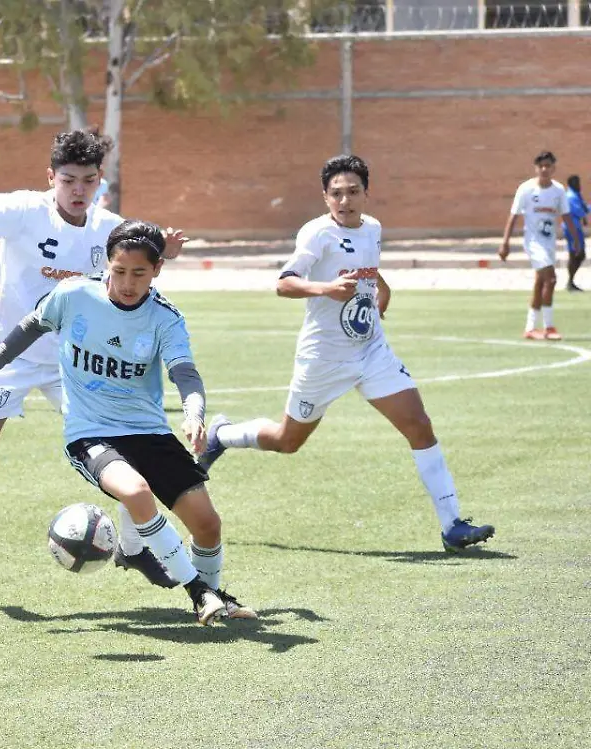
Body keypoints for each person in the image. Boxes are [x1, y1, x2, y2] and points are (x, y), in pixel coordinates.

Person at [0, 220, 253, 624]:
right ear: (107, 265)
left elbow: (184, 372)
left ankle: (215, 597)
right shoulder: (74, 294)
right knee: (136, 491)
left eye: (139, 273)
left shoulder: (165, 317)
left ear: (157, 270)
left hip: (149, 433)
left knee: (208, 524)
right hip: (90, 434)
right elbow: (26, 330)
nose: (128, 283)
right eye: (119, 271)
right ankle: (199, 592)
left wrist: (193, 412)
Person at [198, 154, 495, 554]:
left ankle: (452, 525)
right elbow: (283, 283)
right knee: (288, 440)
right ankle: (223, 434)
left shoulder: (372, 228)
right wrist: (326, 289)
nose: (345, 200)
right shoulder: (315, 235)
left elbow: (366, 265)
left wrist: (381, 290)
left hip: (371, 350)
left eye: (353, 191)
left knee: (419, 425)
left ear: (366, 194)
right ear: (325, 197)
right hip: (324, 357)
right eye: (336, 193)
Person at [0, 129, 185, 568]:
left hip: (76, 363)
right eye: (68, 179)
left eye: (88, 180)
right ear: (51, 177)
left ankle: (133, 547)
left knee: (128, 451)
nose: (78, 190)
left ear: (99, 180)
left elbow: (140, 264)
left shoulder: (109, 228)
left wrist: (168, 253)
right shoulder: (24, 211)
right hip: (8, 353)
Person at [498, 151, 579, 339]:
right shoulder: (526, 189)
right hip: (533, 243)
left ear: (553, 168)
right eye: (541, 166)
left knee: (540, 281)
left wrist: (575, 239)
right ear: (536, 168)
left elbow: (565, 215)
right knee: (551, 279)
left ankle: (530, 327)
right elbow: (514, 216)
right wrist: (505, 243)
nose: (544, 169)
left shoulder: (558, 190)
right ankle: (549, 327)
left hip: (549, 243)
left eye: (548, 166)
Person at [563, 174, 586, 292]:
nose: (579, 185)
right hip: (571, 228)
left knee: (580, 255)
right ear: (572, 184)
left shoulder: (576, 194)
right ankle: (570, 282)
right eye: (577, 183)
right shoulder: (570, 196)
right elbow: (580, 211)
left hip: (577, 228)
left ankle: (571, 281)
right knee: (576, 254)